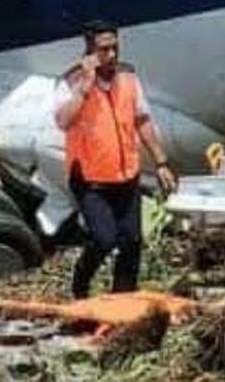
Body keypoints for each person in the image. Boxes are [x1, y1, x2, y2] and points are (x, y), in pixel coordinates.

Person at [53, 20, 178, 299]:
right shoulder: (70, 81)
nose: (111, 55)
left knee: (133, 240)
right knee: (104, 239)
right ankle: (80, 284)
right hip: (89, 179)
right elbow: (63, 121)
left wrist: (160, 162)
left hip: (126, 175)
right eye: (103, 50)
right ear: (89, 50)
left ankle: (124, 297)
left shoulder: (128, 78)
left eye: (114, 48)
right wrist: (84, 89)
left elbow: (142, 120)